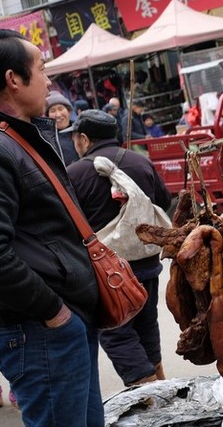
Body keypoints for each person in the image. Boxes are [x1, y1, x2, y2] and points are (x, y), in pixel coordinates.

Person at [0, 29, 111, 427]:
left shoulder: (18, 136)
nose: (49, 78)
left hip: (61, 322)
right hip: (38, 328)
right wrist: (54, 313)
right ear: (13, 79)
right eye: (42, 69)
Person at [64, 109, 171, 388]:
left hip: (108, 269)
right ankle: (161, 383)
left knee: (115, 331)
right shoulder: (139, 161)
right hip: (147, 262)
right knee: (147, 322)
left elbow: (66, 221)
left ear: (84, 139)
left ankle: (147, 390)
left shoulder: (76, 173)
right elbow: (163, 198)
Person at [46, 91, 81, 165]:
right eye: (53, 111)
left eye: (60, 109)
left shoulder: (81, 130)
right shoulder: (47, 140)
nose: (58, 115)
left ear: (69, 111)